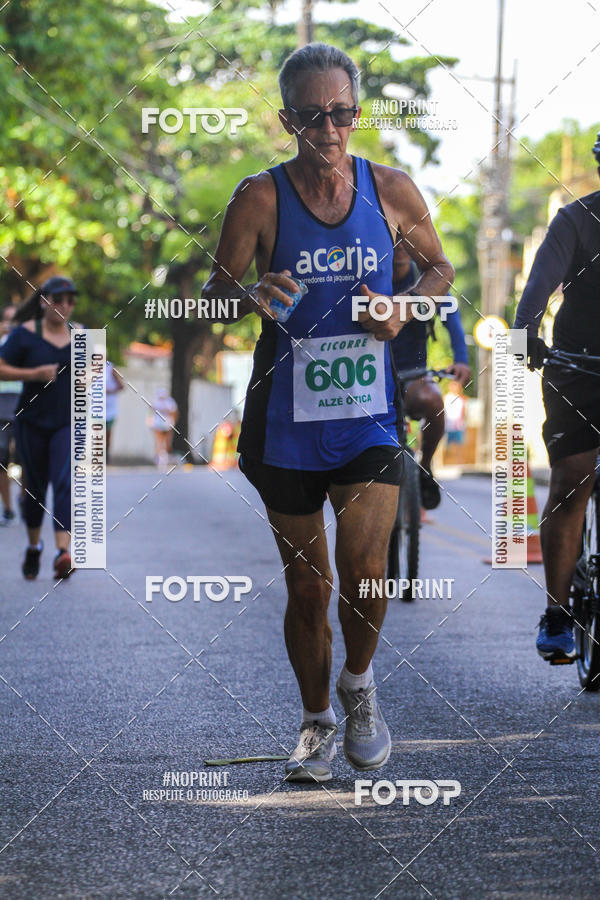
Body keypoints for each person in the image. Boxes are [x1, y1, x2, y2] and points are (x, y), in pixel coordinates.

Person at [202, 43, 454, 781]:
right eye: (312, 117)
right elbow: (214, 291)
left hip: (369, 413)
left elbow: (439, 269)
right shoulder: (258, 197)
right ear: (288, 120)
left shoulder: (393, 190)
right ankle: (315, 721)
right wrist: (252, 297)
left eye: (342, 113)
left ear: (356, 113)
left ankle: (359, 686)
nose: (329, 130)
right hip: (284, 419)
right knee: (310, 586)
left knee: (366, 568)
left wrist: (403, 307)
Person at [514, 134, 600, 664]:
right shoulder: (575, 221)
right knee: (573, 478)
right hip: (578, 367)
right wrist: (525, 333)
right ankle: (558, 611)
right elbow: (538, 288)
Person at [0, 276, 79, 580]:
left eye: (71, 300)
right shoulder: (24, 334)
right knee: (34, 491)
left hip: (66, 422)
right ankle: (34, 547)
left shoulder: (82, 335)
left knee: (64, 482)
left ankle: (63, 553)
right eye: (59, 299)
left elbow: (96, 372)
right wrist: (34, 372)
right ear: (45, 301)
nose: (65, 305)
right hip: (31, 422)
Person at [390, 245, 471, 508]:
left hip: (414, 375)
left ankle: (426, 470)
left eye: (407, 240)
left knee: (435, 403)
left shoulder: (427, 279)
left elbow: (452, 321)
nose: (400, 247)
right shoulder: (370, 278)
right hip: (373, 379)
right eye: (395, 238)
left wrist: (461, 360)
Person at [0, 304, 21, 524]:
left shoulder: (27, 344)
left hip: (25, 407)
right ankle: (7, 508)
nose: (9, 325)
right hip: (1, 408)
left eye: (14, 320)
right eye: (6, 320)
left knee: (28, 459)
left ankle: (27, 503)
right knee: (1, 459)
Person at [148, 387, 178, 471]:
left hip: (167, 424)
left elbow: (174, 412)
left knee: (167, 442)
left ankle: (165, 458)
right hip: (158, 424)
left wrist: (173, 422)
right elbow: (151, 411)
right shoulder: (156, 401)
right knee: (159, 441)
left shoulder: (170, 402)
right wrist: (150, 420)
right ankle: (159, 459)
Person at [443, 380, 467, 464]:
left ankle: (459, 463)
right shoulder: (446, 398)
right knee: (446, 446)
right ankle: (445, 463)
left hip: (458, 426)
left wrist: (461, 422)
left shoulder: (461, 398)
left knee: (459, 446)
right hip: (447, 426)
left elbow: (463, 412)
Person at [105, 360, 124, 464]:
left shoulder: (110, 369)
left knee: (107, 434)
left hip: (110, 410)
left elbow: (122, 386)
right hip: (94, 409)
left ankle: (106, 455)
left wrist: (108, 391)